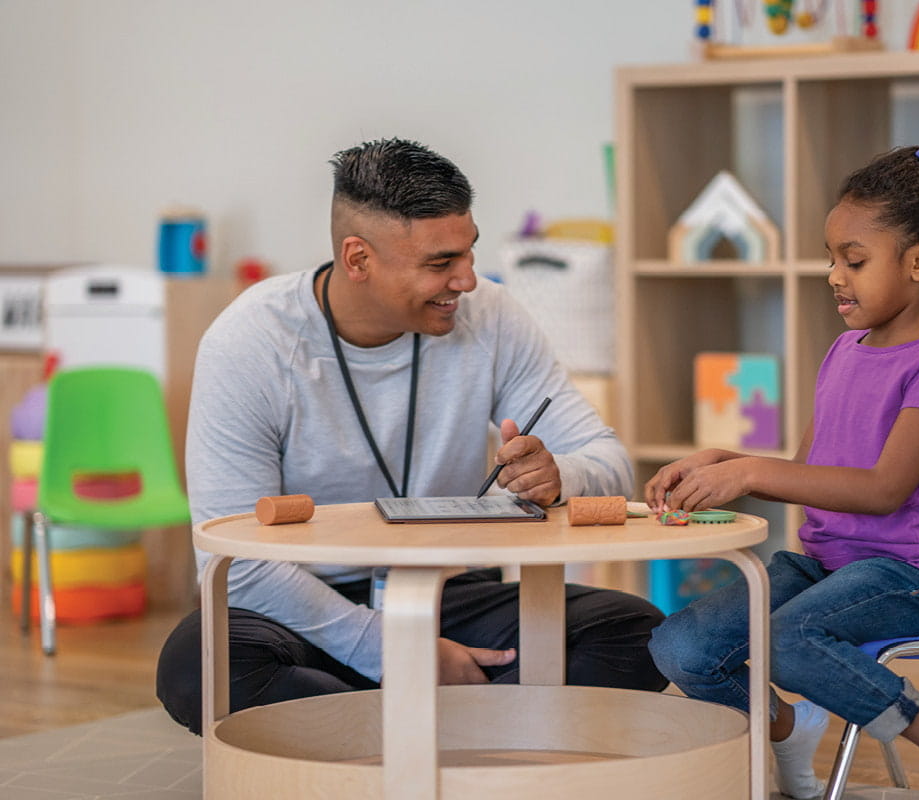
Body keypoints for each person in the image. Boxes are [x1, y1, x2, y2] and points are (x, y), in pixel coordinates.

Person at [156, 138, 667, 734]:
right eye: (440, 263)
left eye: (469, 252)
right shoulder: (249, 343)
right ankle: (465, 729)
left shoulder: (494, 318)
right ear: (358, 259)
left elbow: (610, 462)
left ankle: (385, 736)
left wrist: (562, 477)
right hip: (304, 602)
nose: (469, 280)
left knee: (643, 635)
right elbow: (233, 558)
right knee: (201, 668)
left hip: (449, 592)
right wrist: (396, 651)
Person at [644, 142, 919, 800]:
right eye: (832, 258)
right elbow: (809, 472)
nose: (835, 275)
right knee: (681, 646)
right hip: (827, 565)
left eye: (854, 261)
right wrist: (724, 460)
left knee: (790, 638)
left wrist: (749, 472)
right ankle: (788, 727)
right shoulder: (843, 350)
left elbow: (885, 491)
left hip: (910, 575)